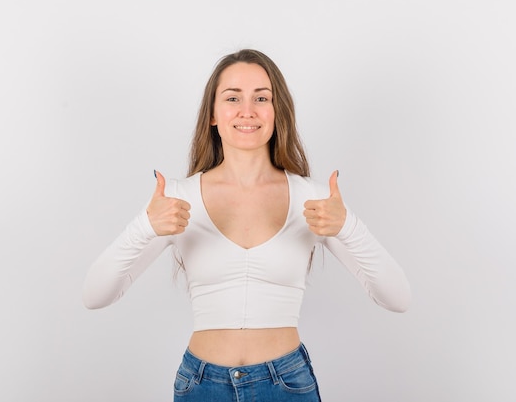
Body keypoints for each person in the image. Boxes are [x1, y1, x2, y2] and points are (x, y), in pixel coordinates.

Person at [82, 48, 411, 402]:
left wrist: (347, 226)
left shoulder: (313, 199)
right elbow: (95, 296)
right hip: (201, 387)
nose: (247, 110)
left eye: (261, 98)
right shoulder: (177, 198)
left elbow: (398, 298)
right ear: (212, 114)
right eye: (232, 97)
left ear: (276, 111)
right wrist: (146, 226)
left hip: (287, 386)